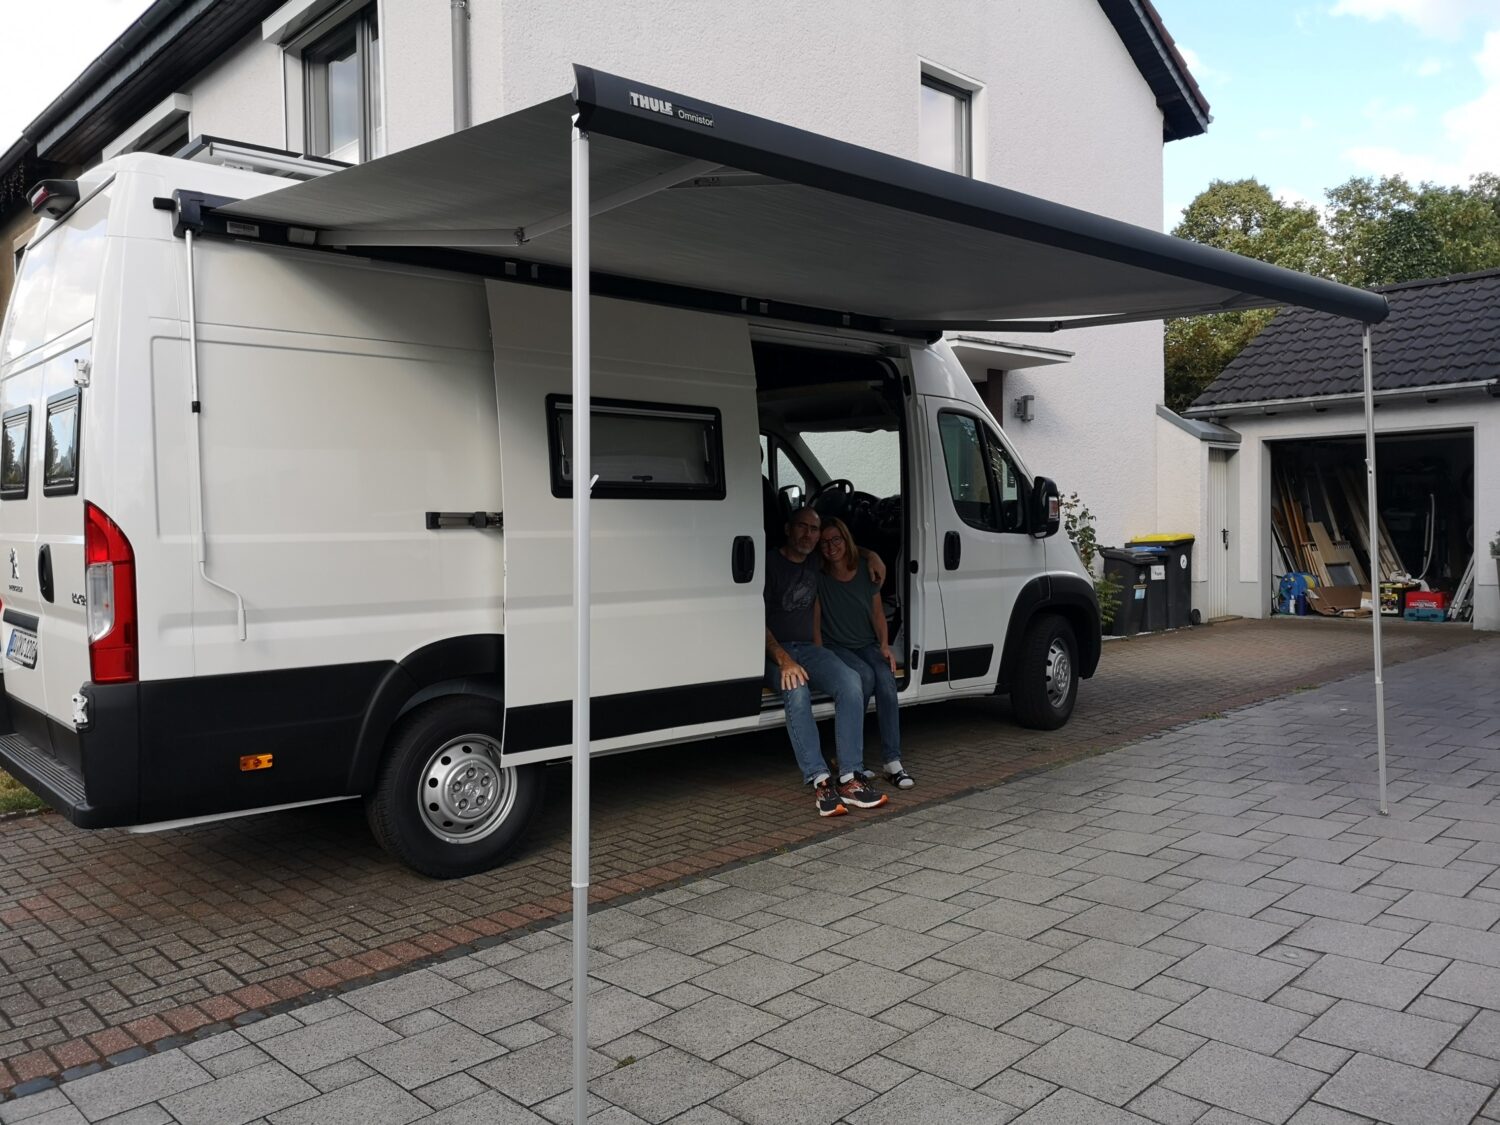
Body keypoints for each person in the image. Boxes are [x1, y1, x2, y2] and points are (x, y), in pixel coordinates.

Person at [765, 507, 889, 817]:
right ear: (788, 529)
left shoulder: (815, 559)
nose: (808, 535)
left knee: (851, 682)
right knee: (797, 690)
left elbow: (843, 548)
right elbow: (755, 618)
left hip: (808, 649)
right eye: (802, 527)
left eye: (814, 529)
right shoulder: (768, 563)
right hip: (773, 653)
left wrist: (871, 554)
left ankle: (849, 777)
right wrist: (783, 659)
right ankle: (820, 780)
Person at [816, 517, 913, 789]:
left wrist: (884, 646)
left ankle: (892, 762)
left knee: (886, 679)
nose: (831, 547)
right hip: (835, 646)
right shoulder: (819, 573)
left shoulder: (865, 569)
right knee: (864, 677)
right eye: (824, 542)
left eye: (836, 539)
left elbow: (878, 613)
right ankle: (852, 762)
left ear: (846, 539)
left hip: (866, 644)